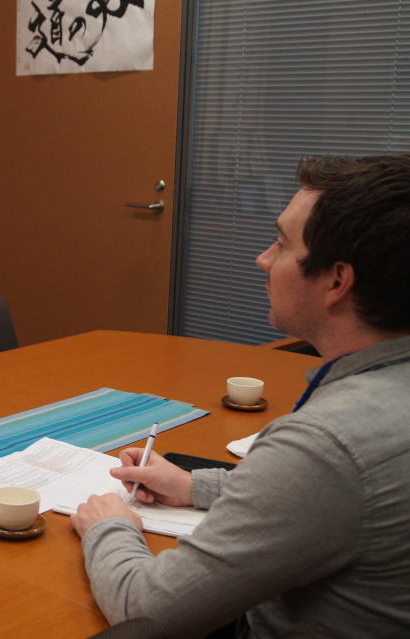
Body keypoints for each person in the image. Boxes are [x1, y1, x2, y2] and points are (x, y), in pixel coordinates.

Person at [71, 155, 410, 637]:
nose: (263, 260)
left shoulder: (328, 443)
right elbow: (338, 497)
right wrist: (195, 487)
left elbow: (144, 609)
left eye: (281, 244)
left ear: (337, 281)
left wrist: (109, 525)